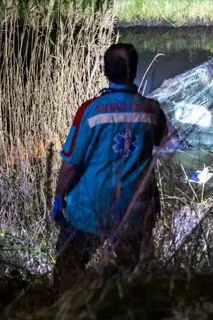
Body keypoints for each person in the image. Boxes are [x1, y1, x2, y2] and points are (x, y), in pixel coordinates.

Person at [52, 43, 168, 290]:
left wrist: (59, 196)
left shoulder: (90, 111)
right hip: (134, 209)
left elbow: (71, 163)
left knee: (67, 268)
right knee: (135, 274)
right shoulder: (153, 110)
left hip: (89, 209)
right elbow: (161, 141)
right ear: (134, 71)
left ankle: (63, 312)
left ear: (105, 71)